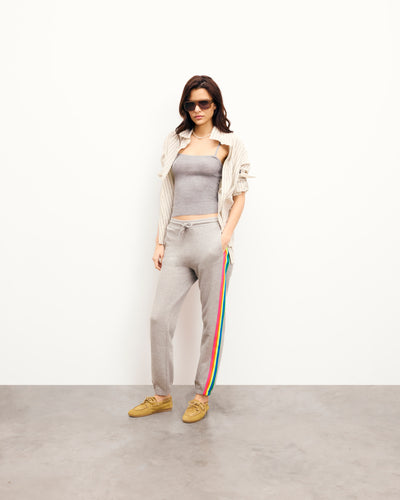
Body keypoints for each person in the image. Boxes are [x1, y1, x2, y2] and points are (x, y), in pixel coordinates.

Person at [128, 75, 254, 423]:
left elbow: (240, 195)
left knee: (211, 323)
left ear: (216, 105)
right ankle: (162, 395)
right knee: (159, 318)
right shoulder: (175, 141)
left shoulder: (230, 143)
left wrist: (223, 237)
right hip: (176, 238)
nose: (197, 109)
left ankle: (201, 395)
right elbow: (166, 193)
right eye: (190, 104)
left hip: (210, 237)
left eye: (204, 103)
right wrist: (160, 240)